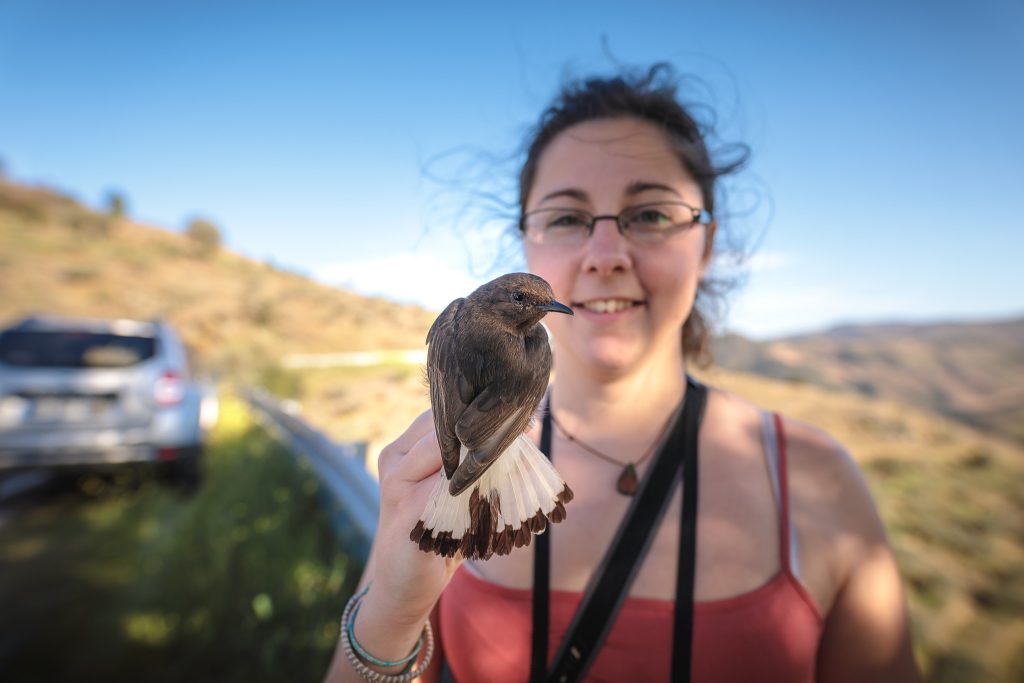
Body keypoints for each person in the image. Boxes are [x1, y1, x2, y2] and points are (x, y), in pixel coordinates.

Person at [324, 63, 921, 683]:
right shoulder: (427, 479)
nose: (606, 255)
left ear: (708, 245)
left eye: (652, 214)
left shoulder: (821, 485)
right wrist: (392, 612)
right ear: (527, 243)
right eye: (565, 217)